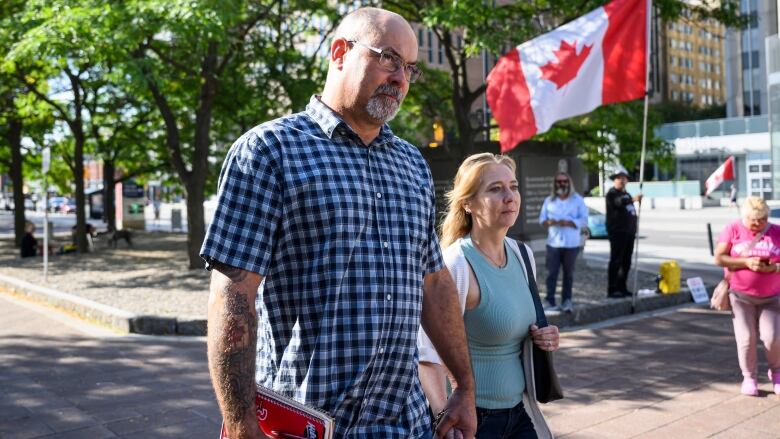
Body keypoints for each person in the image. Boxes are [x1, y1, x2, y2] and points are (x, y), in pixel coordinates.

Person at [200, 8, 476, 439]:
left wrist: (464, 385)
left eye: (409, 67)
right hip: (307, 425)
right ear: (339, 53)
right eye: (388, 58)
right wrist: (239, 423)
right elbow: (233, 294)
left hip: (406, 425)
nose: (400, 78)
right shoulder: (269, 151)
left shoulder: (412, 164)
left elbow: (434, 282)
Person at [418, 153, 558, 439]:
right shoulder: (456, 263)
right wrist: (447, 419)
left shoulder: (523, 254)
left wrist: (544, 337)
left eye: (514, 186)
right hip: (474, 421)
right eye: (495, 189)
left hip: (520, 411)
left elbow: (512, 326)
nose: (510, 196)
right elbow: (426, 356)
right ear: (468, 204)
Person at [714, 196, 780, 396]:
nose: (758, 224)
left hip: (772, 296)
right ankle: (749, 377)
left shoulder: (776, 231)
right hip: (741, 296)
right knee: (746, 338)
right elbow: (719, 258)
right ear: (745, 216)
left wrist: (775, 267)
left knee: (772, 338)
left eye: (763, 219)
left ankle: (776, 372)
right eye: (754, 219)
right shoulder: (732, 229)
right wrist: (746, 263)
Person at [539, 171, 588, 313]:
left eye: (564, 181)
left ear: (569, 183)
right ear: (555, 184)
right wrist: (551, 222)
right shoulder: (549, 200)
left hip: (571, 244)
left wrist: (570, 222)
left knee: (568, 274)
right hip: (553, 243)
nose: (562, 184)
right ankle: (549, 301)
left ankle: (567, 301)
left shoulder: (577, 200)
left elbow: (584, 220)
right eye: (559, 181)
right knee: (551, 273)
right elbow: (542, 220)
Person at [605, 166, 642, 298]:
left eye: (624, 178)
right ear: (614, 180)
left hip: (629, 233)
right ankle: (612, 288)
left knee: (626, 261)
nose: (621, 180)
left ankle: (622, 286)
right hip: (618, 232)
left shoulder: (627, 194)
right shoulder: (612, 194)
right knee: (616, 260)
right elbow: (618, 203)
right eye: (619, 178)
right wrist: (633, 200)